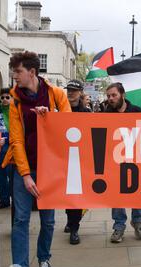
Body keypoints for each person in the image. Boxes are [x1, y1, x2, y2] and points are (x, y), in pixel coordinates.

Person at [2, 51, 71, 267]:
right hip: (25, 167)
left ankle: (44, 257)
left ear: (32, 72)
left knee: (48, 220)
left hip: (49, 167)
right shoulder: (16, 100)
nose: (14, 76)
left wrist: (50, 118)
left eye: (18, 71)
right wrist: (25, 175)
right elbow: (16, 140)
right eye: (14, 72)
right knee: (20, 220)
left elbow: (69, 129)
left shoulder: (56, 94)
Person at [104, 83, 141, 244]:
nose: (110, 99)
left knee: (137, 192)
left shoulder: (137, 111)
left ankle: (137, 220)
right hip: (115, 160)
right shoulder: (106, 113)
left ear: (123, 94)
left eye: (113, 95)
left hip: (135, 159)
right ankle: (119, 226)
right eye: (108, 96)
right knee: (117, 194)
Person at [63, 80, 91, 245]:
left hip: (79, 159)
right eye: (69, 90)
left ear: (80, 92)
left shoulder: (86, 113)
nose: (71, 93)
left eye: (74, 90)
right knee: (66, 195)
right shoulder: (59, 111)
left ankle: (74, 228)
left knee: (76, 196)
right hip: (61, 158)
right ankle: (69, 220)